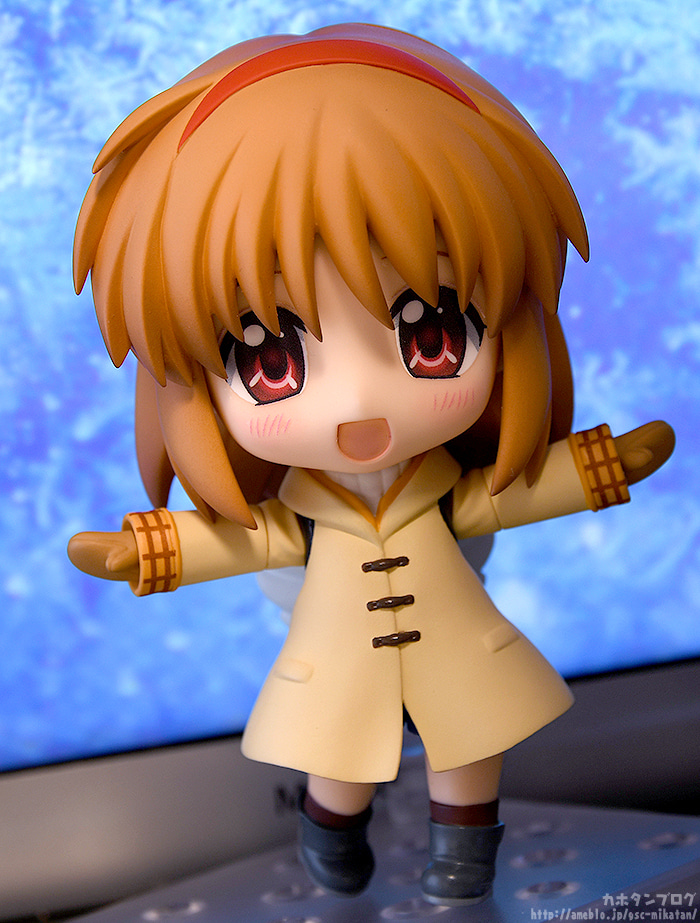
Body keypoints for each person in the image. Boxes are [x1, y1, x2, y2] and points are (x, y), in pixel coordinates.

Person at [68, 24, 674, 904]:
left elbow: (501, 500)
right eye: (271, 358)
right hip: (340, 662)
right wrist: (152, 550)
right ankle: (330, 827)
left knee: (473, 739)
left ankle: (464, 849)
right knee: (341, 754)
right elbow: (253, 540)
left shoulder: (443, 490)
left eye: (432, 335)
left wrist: (598, 467)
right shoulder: (304, 516)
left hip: (461, 646)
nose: (357, 400)